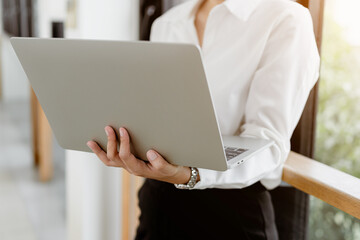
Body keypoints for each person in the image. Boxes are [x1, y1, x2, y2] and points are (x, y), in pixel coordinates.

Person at [87, 0, 320, 239]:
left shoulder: (285, 18)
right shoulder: (167, 23)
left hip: (232, 215)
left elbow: (268, 142)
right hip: (159, 204)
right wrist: (130, 143)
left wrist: (191, 174)